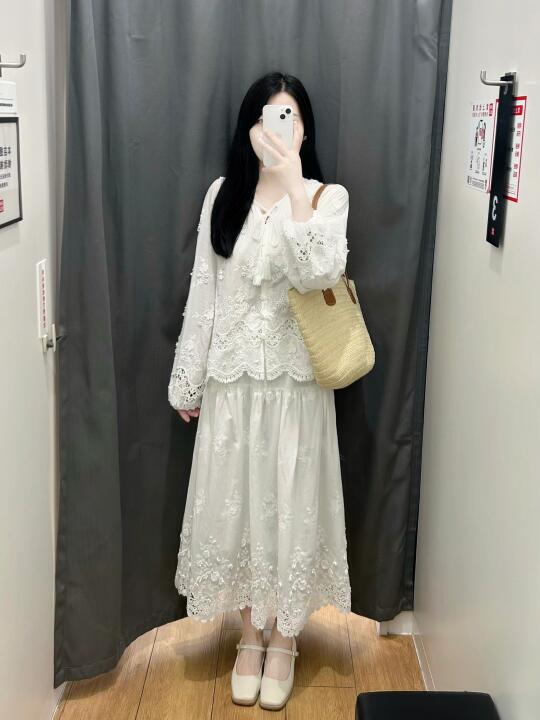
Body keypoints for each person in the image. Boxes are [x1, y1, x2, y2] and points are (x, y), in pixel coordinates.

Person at [168, 71, 351, 710]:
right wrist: (188, 378)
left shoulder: (328, 198)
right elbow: (204, 290)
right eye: (267, 116)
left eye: (289, 116)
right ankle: (249, 635)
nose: (277, 128)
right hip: (232, 386)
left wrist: (296, 185)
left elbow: (319, 272)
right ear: (248, 127)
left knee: (290, 508)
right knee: (238, 510)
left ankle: (285, 638)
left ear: (305, 128)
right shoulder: (223, 195)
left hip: (297, 389)